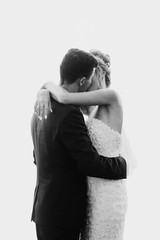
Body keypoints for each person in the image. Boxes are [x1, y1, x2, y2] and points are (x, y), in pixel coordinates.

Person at [36, 49, 132, 240]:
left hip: (108, 191)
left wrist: (45, 87)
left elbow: (64, 98)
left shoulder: (111, 96)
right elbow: (63, 104)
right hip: (90, 194)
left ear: (100, 73)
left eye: (90, 76)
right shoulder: (90, 107)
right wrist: (44, 91)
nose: (87, 83)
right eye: (85, 78)